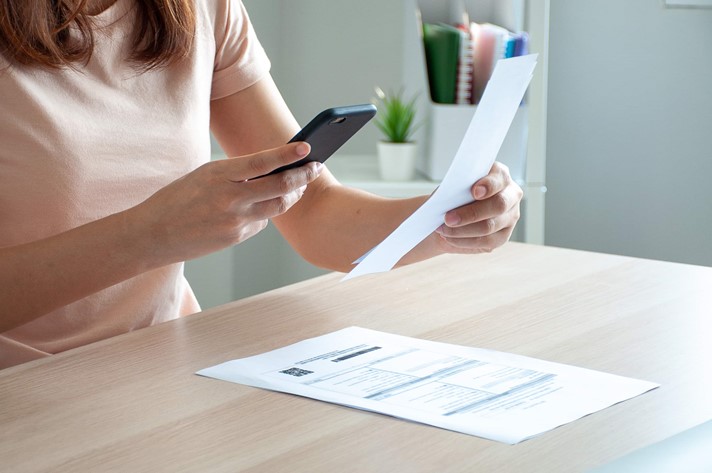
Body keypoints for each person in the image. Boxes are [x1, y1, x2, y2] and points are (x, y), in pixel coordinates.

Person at [0, 0, 523, 369]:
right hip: (23, 390)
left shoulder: (200, 9)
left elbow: (313, 211)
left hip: (159, 366)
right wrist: (147, 235)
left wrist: (448, 218)